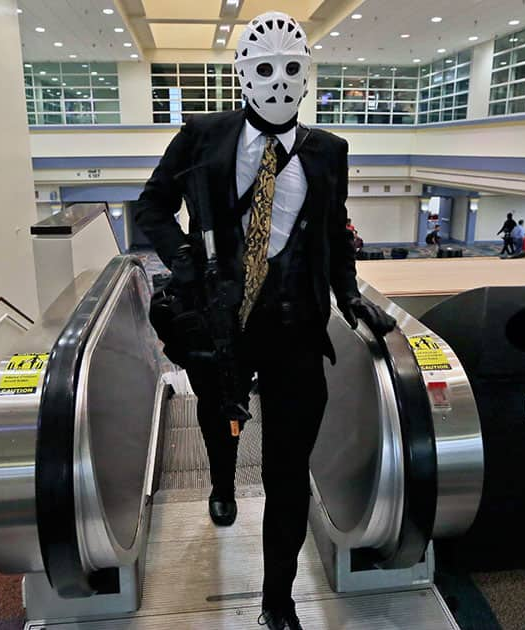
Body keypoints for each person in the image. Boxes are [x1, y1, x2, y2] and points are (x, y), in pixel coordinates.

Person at [132, 12, 396, 630]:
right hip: (222, 318)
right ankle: (220, 480)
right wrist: (184, 259)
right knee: (220, 415)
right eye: (266, 69)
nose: (279, 82)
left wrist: (350, 295)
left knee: (287, 467)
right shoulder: (202, 135)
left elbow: (333, 233)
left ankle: (277, 598)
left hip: (296, 327)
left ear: (307, 75)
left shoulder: (329, 152)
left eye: (291, 69)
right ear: (244, 75)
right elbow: (151, 206)